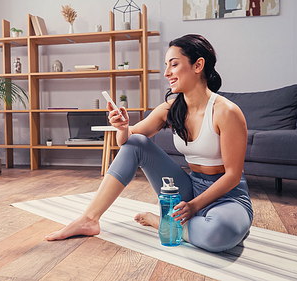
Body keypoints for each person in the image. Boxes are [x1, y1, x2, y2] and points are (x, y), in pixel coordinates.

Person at [46, 34, 253, 252]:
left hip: (227, 197)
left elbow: (232, 176)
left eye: (174, 64)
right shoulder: (171, 108)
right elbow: (128, 143)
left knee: (218, 234)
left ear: (198, 65)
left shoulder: (226, 111)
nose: (167, 73)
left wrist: (193, 207)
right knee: (137, 142)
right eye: (166, 66)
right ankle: (89, 219)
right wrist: (123, 127)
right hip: (191, 188)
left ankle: (161, 222)